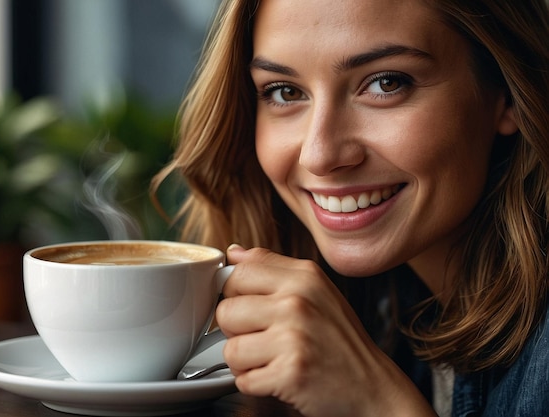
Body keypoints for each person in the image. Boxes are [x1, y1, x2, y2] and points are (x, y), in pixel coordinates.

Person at [152, 0, 549, 415]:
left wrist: (377, 403)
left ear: (507, 94)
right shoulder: (379, 308)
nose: (319, 155)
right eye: (285, 92)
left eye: (386, 83)